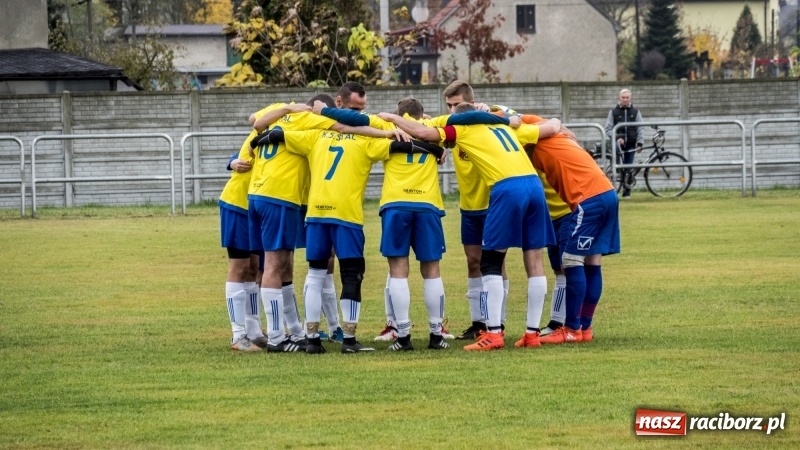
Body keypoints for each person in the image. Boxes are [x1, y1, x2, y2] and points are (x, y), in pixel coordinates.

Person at [250, 122, 446, 354]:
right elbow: (403, 146)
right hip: (347, 215)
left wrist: (255, 142)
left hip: (317, 214)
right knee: (351, 274)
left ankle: (312, 339)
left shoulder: (314, 135)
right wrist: (435, 150)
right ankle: (349, 340)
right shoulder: (365, 141)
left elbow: (276, 135)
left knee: (315, 273)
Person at [379, 104, 561, 351]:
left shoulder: (464, 129)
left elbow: (423, 133)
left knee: (490, 262)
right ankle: (532, 334)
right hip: (534, 187)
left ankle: (494, 335)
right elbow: (552, 126)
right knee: (535, 260)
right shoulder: (503, 127)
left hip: (507, 188)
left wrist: (391, 118)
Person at [314, 97, 450, 351]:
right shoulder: (433, 131)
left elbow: (354, 122)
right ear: (422, 114)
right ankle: (436, 334)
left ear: (398, 114)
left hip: (396, 204)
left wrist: (326, 111)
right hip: (428, 205)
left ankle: (403, 336)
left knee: (398, 270)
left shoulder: (387, 127)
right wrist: (435, 147)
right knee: (432, 270)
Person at [521, 113, 620, 344]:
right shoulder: (561, 136)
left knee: (571, 261)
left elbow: (516, 122)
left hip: (589, 198)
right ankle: (585, 328)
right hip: (606, 192)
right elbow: (557, 126)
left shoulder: (533, 138)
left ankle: (572, 328)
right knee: (592, 262)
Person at [218, 142, 265, 352]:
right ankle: (237, 335)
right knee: (239, 266)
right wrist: (233, 161)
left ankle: (253, 330)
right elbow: (244, 152)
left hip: (258, 208)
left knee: (254, 268)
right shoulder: (268, 129)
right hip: (238, 204)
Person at [605, 88, 644, 199]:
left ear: (630, 98)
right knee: (617, 167)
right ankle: (613, 190)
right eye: (623, 97)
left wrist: (640, 142)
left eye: (627, 97)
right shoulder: (613, 112)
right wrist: (617, 138)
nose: (625, 100)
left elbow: (640, 128)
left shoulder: (636, 112)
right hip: (617, 144)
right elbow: (608, 129)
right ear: (619, 98)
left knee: (628, 166)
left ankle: (627, 191)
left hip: (631, 143)